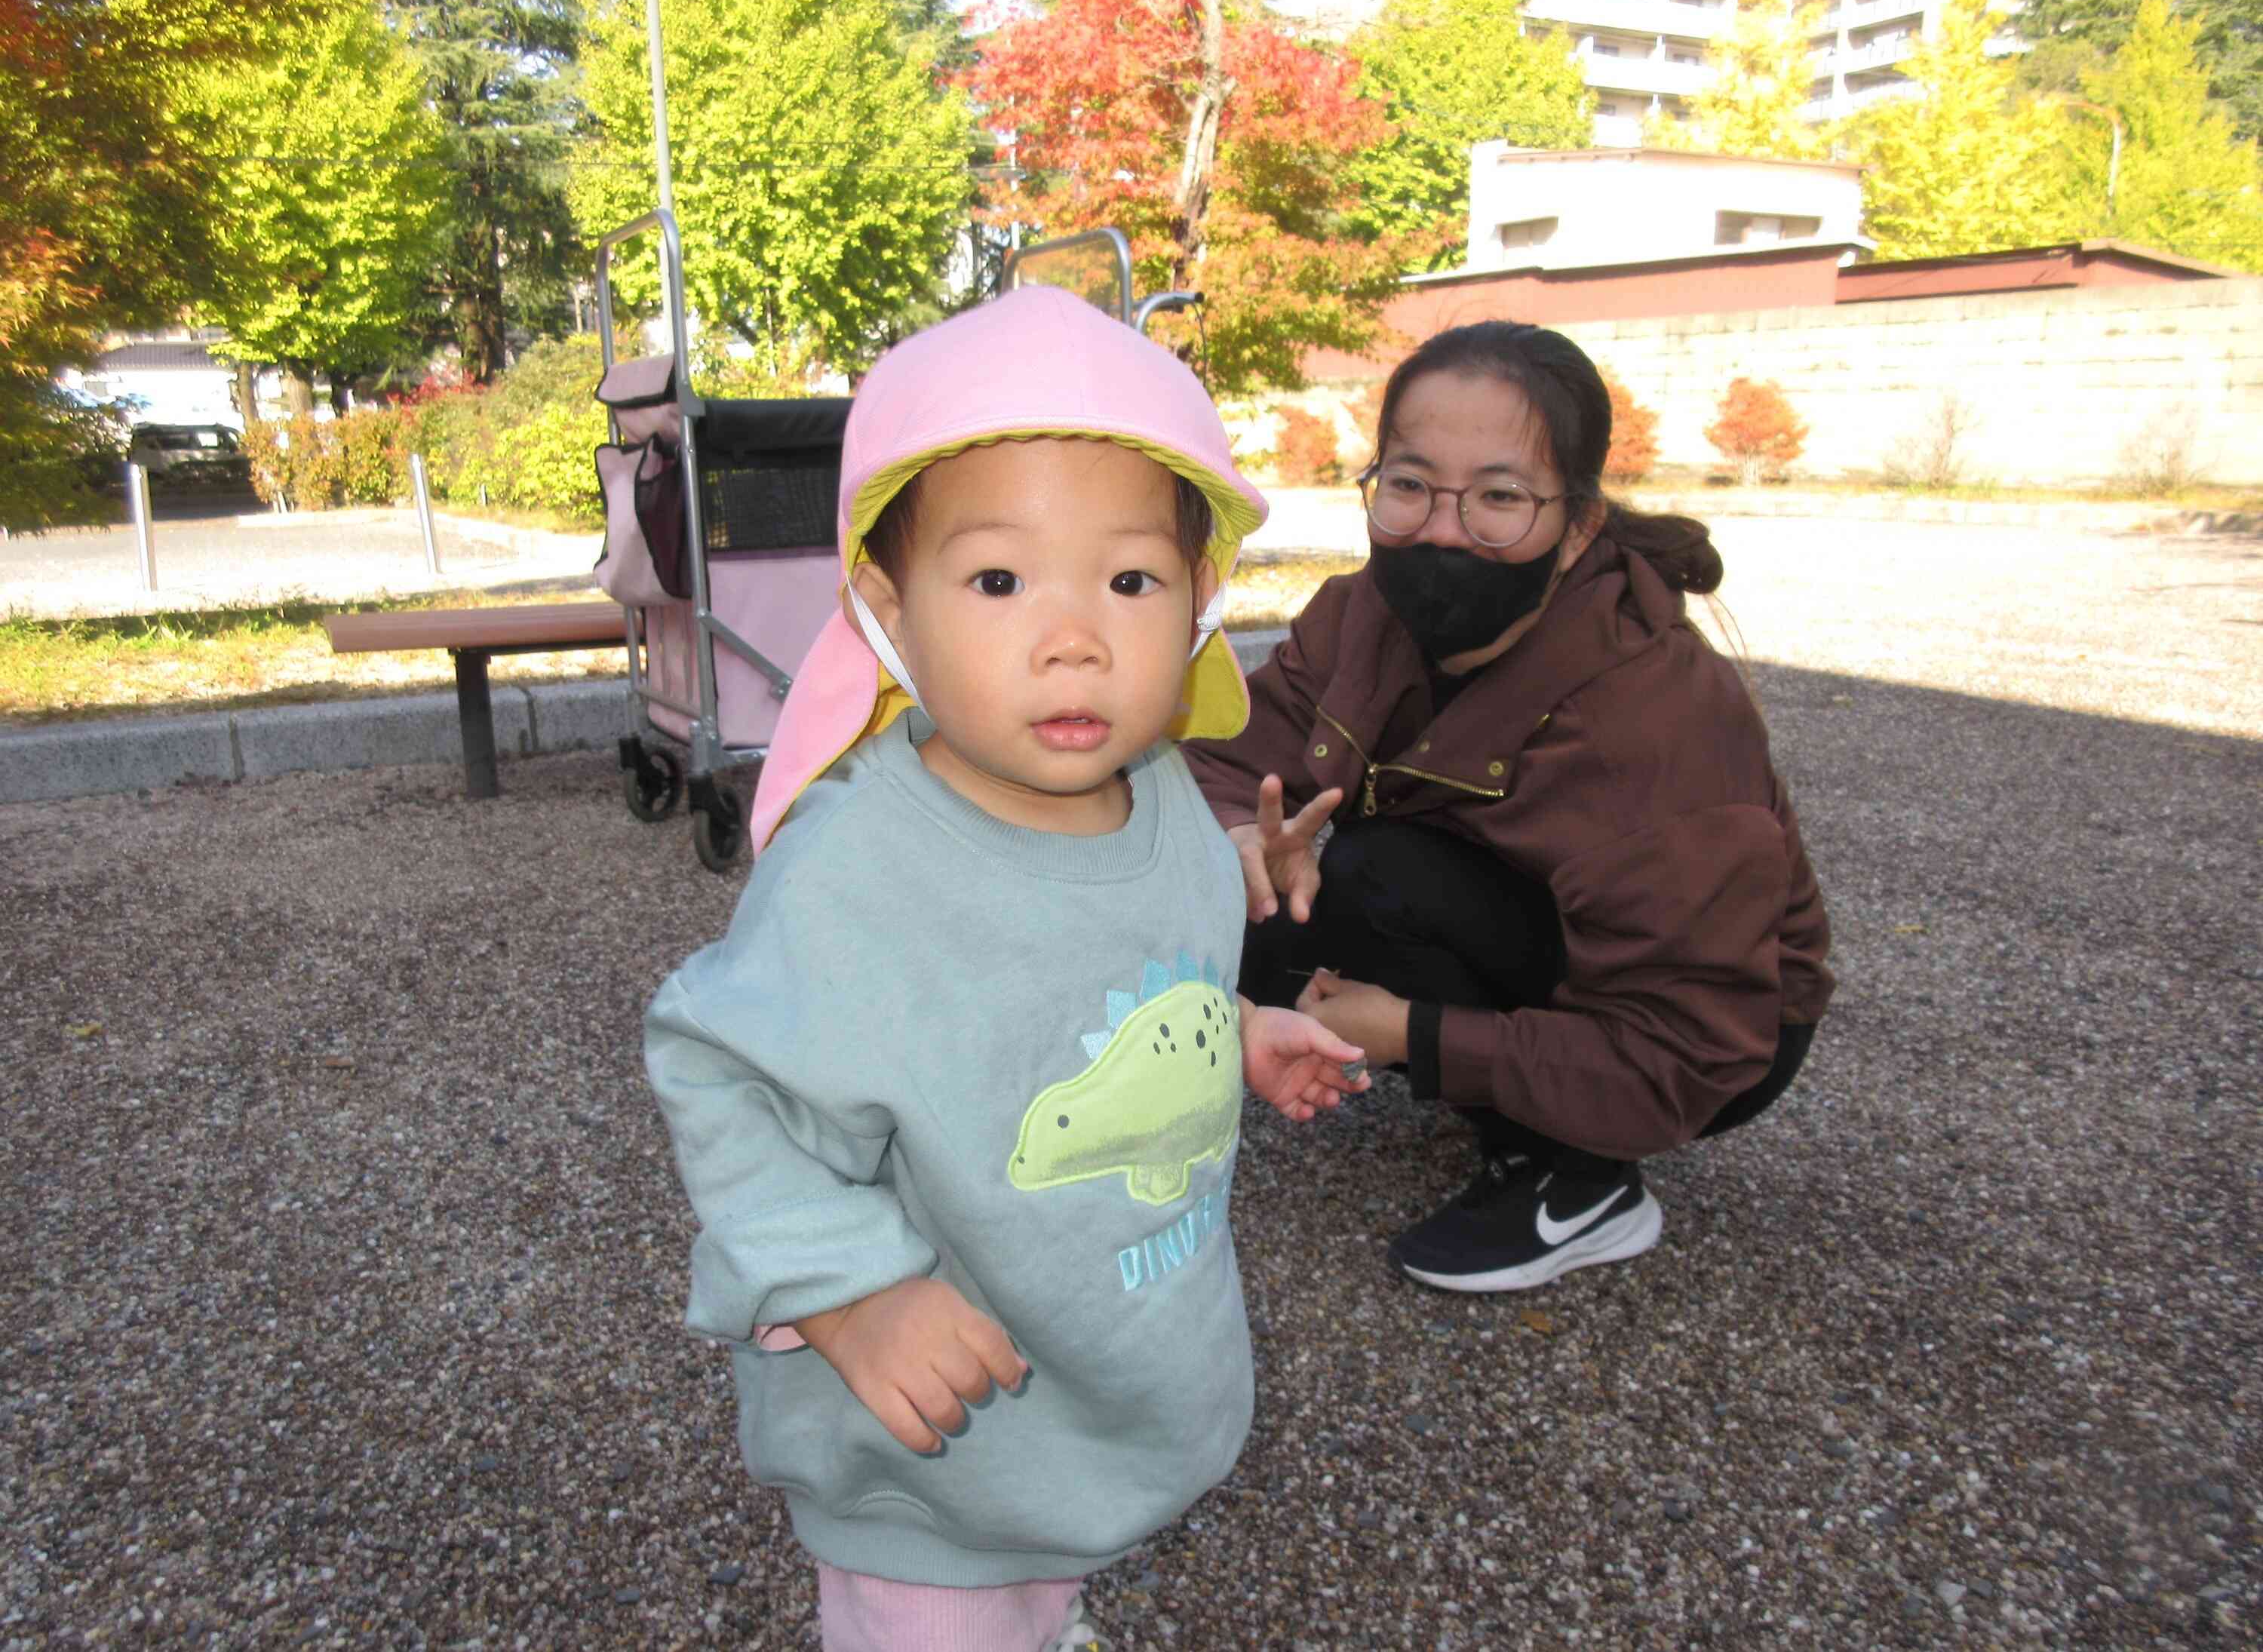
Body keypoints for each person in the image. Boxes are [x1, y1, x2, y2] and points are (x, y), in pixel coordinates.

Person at [643, 287, 1365, 1652]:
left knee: (1039, 1570)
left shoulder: (1166, 803)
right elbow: (721, 1070)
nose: (1073, 635)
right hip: (932, 1450)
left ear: (1200, 598)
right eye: (997, 581)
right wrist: (853, 1294)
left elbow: (1122, 982)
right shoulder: (862, 867)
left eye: (1131, 580)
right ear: (888, 608)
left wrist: (1234, 1029)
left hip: (1088, 1387)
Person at [1184, 320, 1833, 1295]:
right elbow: (1233, 747)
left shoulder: (1657, 713)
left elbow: (1690, 1047)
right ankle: (1494, 1072)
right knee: (1261, 899)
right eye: (1410, 484)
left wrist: (1412, 1032)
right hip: (1496, 917)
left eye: (1499, 497)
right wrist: (1241, 829)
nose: (1442, 531)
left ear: (1579, 525)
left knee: (1360, 876)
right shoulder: (1361, 613)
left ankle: (1581, 1176)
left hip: (1715, 1035)